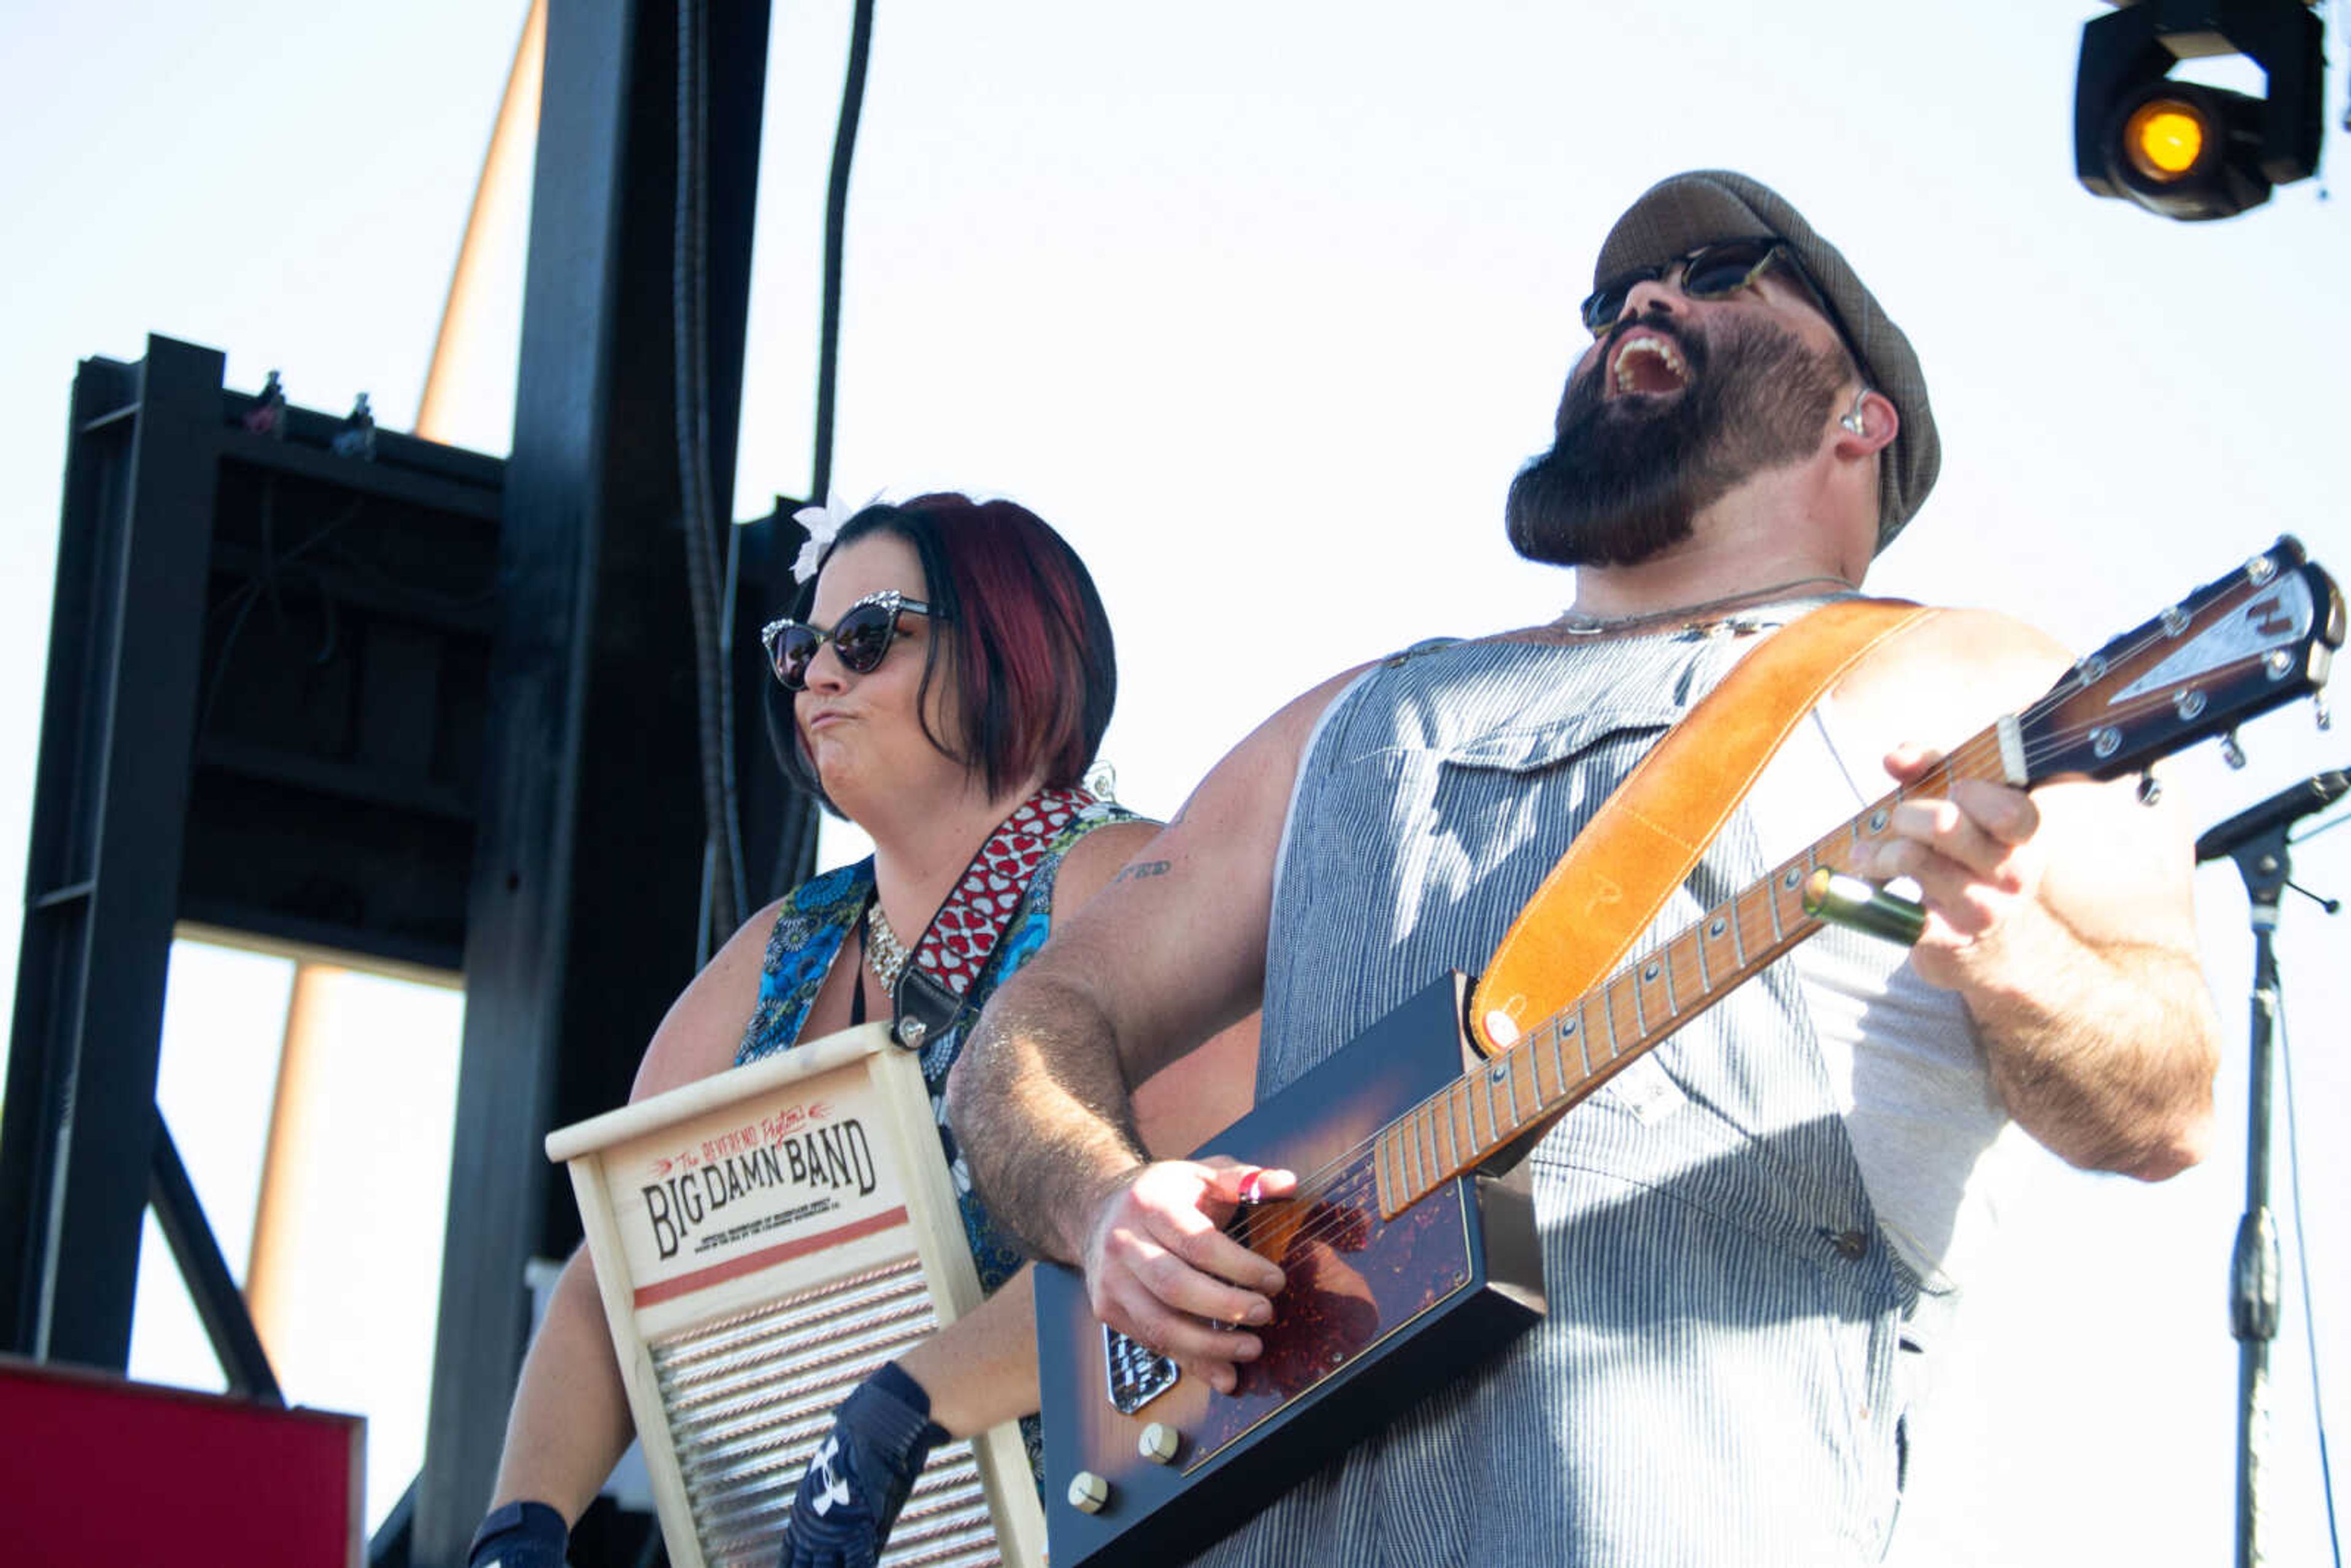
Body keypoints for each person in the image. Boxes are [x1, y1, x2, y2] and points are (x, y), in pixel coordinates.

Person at [945, 171, 2223, 1565]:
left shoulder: (1973, 675)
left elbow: (2163, 1102)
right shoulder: (1346, 719)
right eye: (1610, 298)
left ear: (1864, 421)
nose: (1646, 298)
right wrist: (1103, 1201)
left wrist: (2012, 947)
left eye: (1728, 273)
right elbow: (1030, 1029)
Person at [466, 493, 1254, 1568]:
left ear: (1008, 643)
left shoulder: (1119, 885)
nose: (816, 677)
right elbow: (614, 1276)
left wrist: (906, 1405)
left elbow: (1200, 1225)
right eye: (798, 649)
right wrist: (521, 1526)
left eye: (866, 637)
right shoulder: (778, 953)